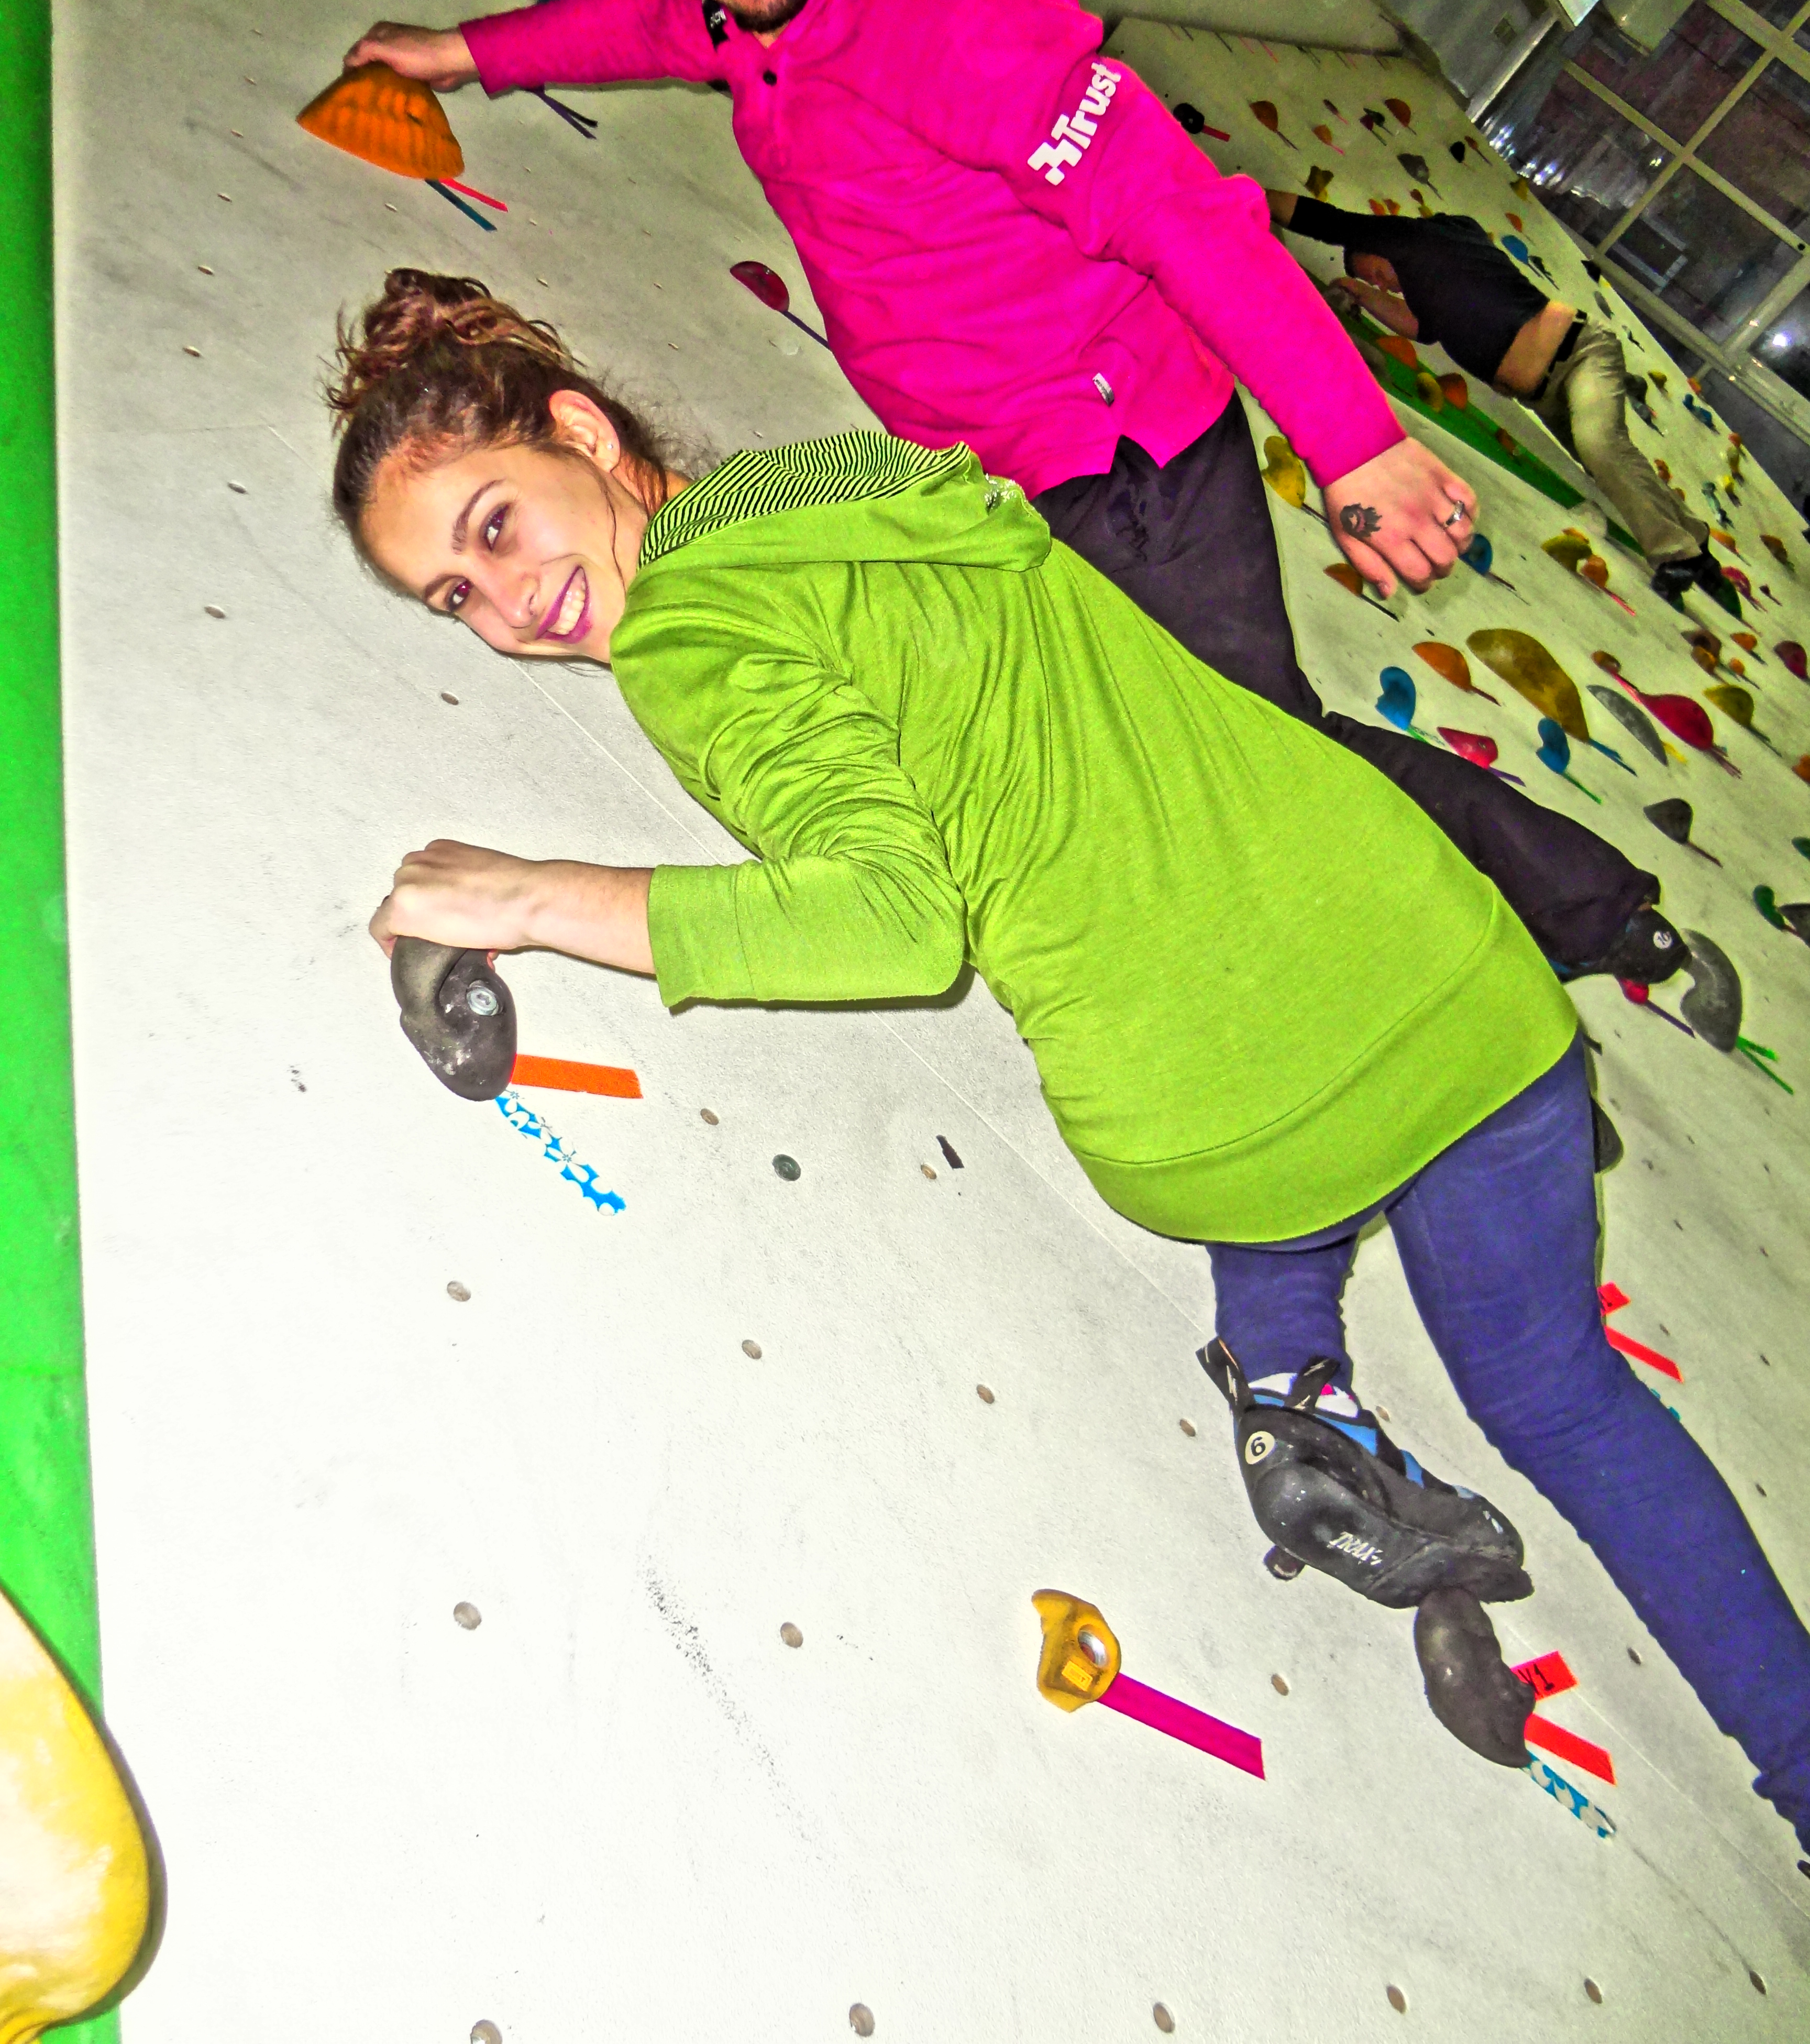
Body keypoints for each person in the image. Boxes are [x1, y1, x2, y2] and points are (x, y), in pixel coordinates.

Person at [335, 268, 1810, 1853]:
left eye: (494, 528)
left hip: (1231, 1114)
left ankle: (1288, 1388)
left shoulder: (689, 644)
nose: (507, 604)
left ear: (576, 431)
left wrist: (530, 898)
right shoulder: (832, 480)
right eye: (454, 596)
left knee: (1251, 1118)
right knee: (1565, 1397)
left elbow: (889, 925)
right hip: (1447, 960)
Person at [340, 0, 1683, 990]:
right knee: (1192, 766)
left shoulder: (944, 7)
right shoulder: (747, 3)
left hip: (1127, 462)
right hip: (1005, 479)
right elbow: (644, 25)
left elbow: (1176, 212)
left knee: (1267, 762)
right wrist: (463, 53)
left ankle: (1581, 920)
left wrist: (1354, 444)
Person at [1267, 190, 1738, 613]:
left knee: (1600, 446)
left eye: (1376, 272)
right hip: (1543, 389)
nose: (1387, 285)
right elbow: (1420, 329)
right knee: (1606, 458)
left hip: (1578, 354)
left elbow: (1324, 220)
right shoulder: (1434, 286)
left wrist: (1250, 198)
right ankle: (1694, 541)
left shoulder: (1418, 241)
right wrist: (1363, 294)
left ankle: (1677, 555)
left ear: (1381, 246)